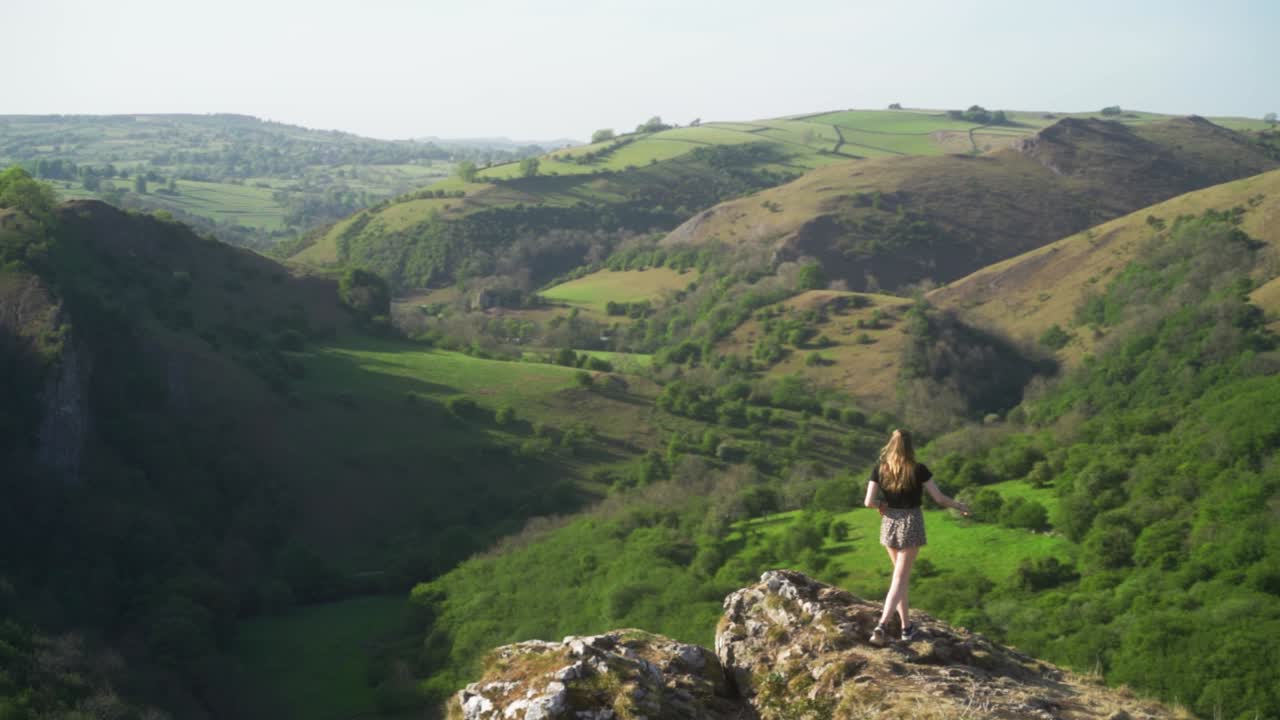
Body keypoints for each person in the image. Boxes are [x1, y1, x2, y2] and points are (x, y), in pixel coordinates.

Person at [863, 428, 969, 645]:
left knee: (898, 579)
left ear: (890, 445)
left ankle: (906, 627)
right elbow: (939, 498)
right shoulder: (918, 470)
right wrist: (959, 505)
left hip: (889, 522)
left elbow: (868, 502)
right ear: (911, 447)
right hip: (911, 521)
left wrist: (882, 505)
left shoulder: (880, 469)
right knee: (900, 579)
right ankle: (882, 625)